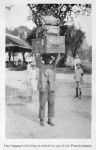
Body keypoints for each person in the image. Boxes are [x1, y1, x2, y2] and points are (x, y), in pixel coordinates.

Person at [36, 52, 60, 127]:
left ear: (50, 59)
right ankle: (41, 119)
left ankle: (50, 119)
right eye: (46, 58)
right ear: (43, 59)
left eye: (49, 58)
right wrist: (39, 51)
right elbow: (37, 58)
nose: (48, 60)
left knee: (51, 103)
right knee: (42, 104)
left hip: (51, 87)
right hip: (43, 87)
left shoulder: (53, 66)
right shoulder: (41, 66)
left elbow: (57, 58)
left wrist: (57, 51)